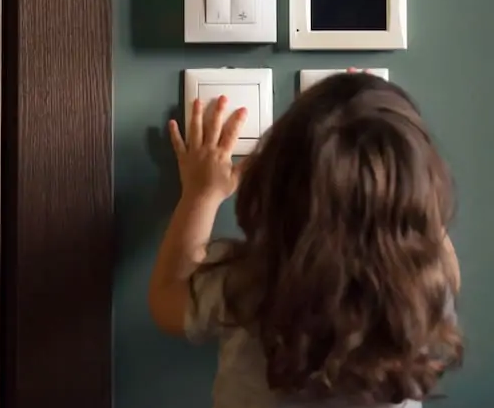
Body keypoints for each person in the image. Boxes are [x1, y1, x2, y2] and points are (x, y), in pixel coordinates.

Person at [148, 71, 462, 408]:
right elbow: (446, 271)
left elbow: (167, 300)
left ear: (273, 180)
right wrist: (396, 181)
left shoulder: (246, 279)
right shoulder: (421, 288)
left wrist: (201, 195)